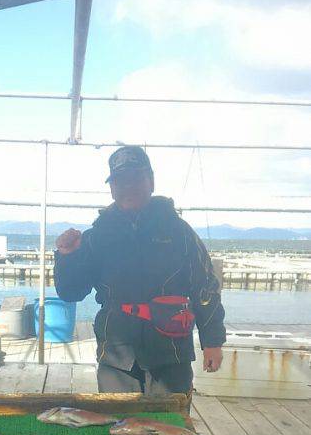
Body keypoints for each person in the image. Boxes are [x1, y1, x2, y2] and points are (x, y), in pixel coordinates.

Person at [54, 146, 225, 403]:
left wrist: (212, 341)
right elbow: (71, 292)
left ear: (151, 181)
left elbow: (205, 287)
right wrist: (66, 258)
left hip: (172, 353)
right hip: (116, 356)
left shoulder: (180, 231)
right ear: (112, 188)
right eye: (120, 181)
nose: (128, 187)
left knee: (170, 425)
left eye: (136, 178)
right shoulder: (97, 236)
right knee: (119, 426)